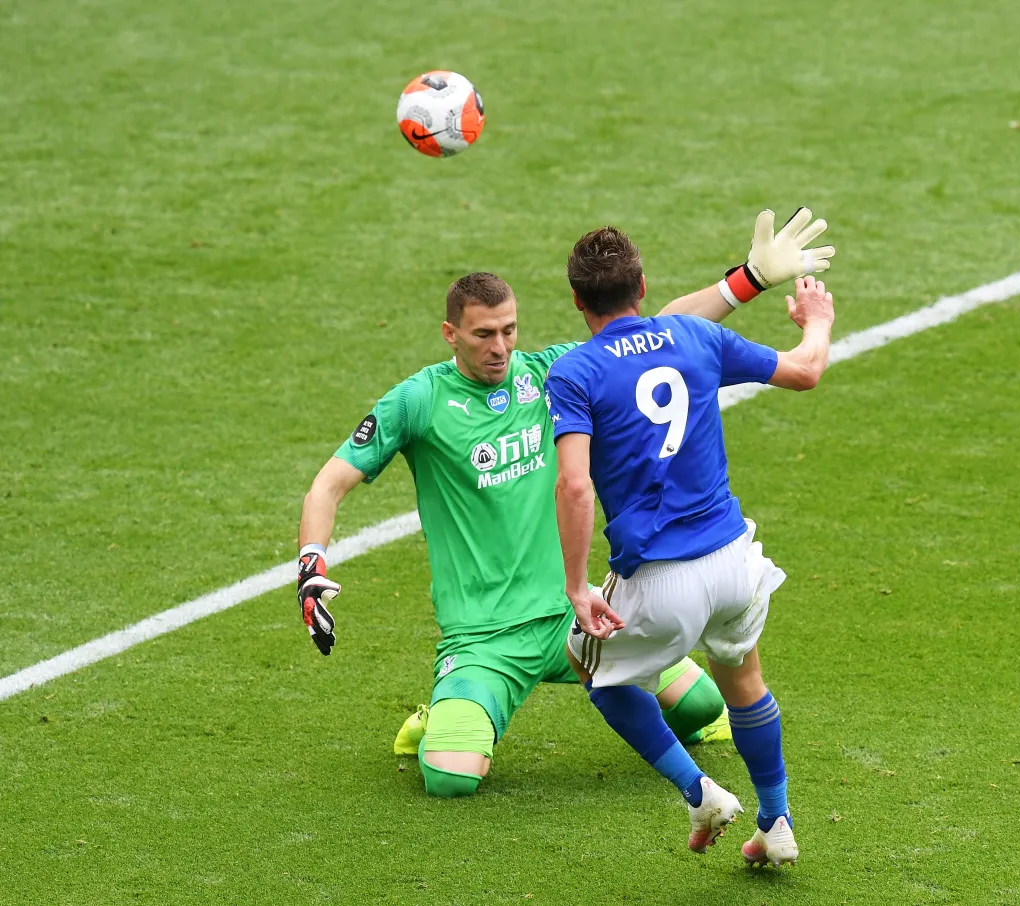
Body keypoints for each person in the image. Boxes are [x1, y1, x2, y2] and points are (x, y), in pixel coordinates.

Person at [295, 210, 834, 798]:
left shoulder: (551, 376)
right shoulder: (418, 400)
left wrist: (749, 277)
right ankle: (446, 709)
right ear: (451, 334)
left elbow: (657, 330)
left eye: (509, 330)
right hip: (484, 636)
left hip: (579, 615)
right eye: (483, 335)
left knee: (703, 708)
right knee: (451, 778)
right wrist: (311, 566)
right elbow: (327, 484)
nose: (500, 347)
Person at [545, 224, 835, 866]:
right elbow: (806, 370)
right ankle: (776, 818)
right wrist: (816, 318)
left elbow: (573, 486)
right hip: (735, 560)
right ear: (642, 287)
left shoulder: (574, 373)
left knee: (592, 667)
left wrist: (576, 586)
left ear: (575, 301)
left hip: (659, 577)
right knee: (745, 680)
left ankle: (699, 791)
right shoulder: (693, 336)